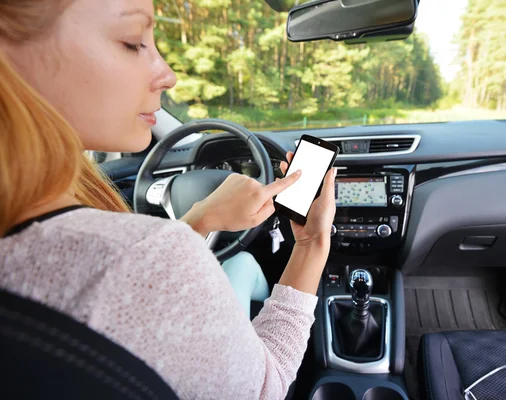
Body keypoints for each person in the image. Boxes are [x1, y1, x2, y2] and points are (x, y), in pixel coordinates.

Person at [0, 1, 336, 399]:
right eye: (133, 42)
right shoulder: (150, 263)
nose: (169, 75)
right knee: (244, 263)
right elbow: (267, 386)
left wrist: (198, 219)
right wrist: (312, 246)